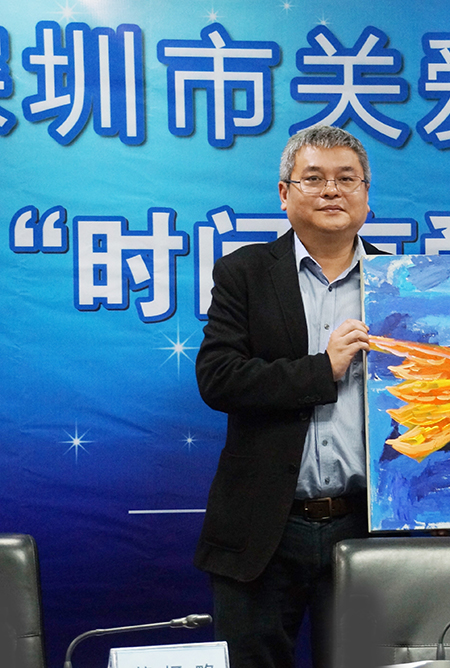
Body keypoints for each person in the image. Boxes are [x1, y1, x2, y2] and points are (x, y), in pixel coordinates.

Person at [195, 125, 386, 668]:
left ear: (366, 193)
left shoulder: (399, 282)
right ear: (284, 193)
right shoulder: (245, 272)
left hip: (366, 524)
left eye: (347, 179)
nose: (332, 191)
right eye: (314, 178)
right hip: (265, 526)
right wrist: (323, 369)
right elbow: (219, 378)